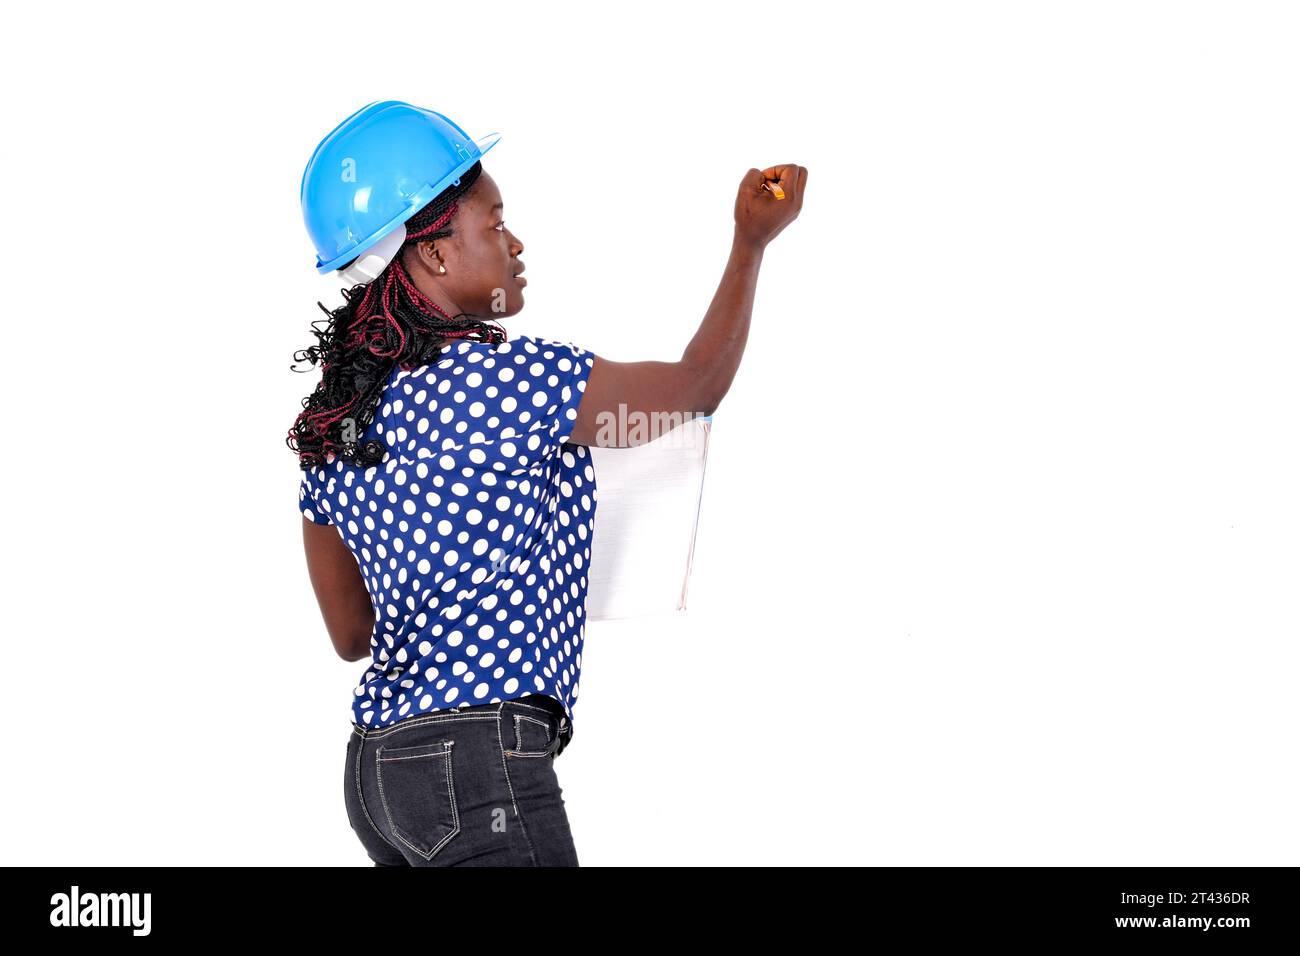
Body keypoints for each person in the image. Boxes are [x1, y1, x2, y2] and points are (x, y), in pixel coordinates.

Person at [290, 102, 806, 866]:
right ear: (432, 252)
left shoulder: (334, 423)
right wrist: (750, 242)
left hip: (377, 778)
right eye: (494, 223)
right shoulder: (513, 380)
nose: (515, 241)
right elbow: (695, 388)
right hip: (477, 766)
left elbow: (351, 635)